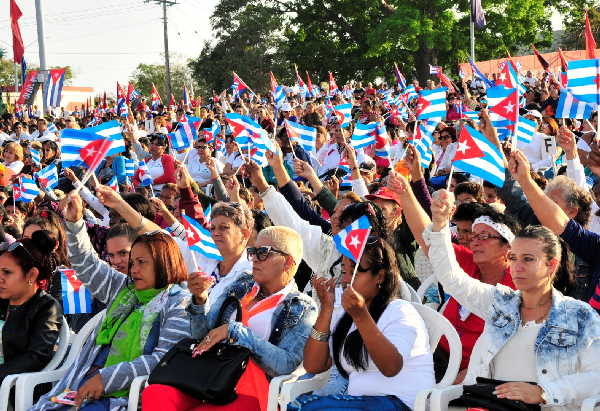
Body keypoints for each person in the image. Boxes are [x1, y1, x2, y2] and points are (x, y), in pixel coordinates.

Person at [426, 189, 600, 409]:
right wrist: (440, 223)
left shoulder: (579, 315)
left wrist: (543, 393)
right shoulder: (500, 302)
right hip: (487, 404)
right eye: (514, 258)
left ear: (551, 265)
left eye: (528, 259)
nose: (517, 267)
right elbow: (451, 277)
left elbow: (596, 376)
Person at [31, 193, 191, 411]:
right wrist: (74, 223)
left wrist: (106, 379)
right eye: (133, 262)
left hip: (125, 398)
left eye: (142, 262)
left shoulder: (178, 303)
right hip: (80, 386)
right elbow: (88, 264)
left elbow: (164, 359)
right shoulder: (126, 289)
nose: (133, 269)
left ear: (164, 262)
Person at [142, 226, 318, 411]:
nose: (255, 258)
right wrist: (200, 299)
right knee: (155, 394)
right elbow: (202, 334)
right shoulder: (243, 283)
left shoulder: (302, 306)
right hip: (208, 375)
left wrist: (235, 332)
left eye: (263, 252)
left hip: (249, 389)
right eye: (253, 252)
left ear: (288, 262)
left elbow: (286, 365)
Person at [289, 236, 433, 411]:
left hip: (399, 404)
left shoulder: (400, 311)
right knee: (299, 406)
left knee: (306, 408)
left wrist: (361, 316)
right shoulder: (347, 316)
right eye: (343, 272)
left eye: (355, 273)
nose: (345, 280)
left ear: (379, 276)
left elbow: (391, 367)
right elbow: (314, 365)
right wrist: (326, 309)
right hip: (359, 402)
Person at [0, 231, 63, 386]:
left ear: (31, 275)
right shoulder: (3, 300)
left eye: (7, 272)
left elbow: (36, 357)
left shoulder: (47, 308)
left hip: (19, 389)